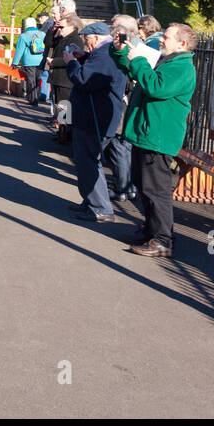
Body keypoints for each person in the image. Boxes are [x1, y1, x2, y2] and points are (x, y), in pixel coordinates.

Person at [111, 23, 199, 258]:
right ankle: (151, 231)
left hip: (158, 137)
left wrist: (138, 60)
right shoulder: (168, 60)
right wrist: (122, 52)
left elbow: (156, 87)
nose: (161, 40)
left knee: (156, 191)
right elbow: (135, 73)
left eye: (166, 37)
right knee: (144, 187)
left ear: (182, 43)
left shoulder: (181, 67)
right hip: (147, 134)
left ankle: (162, 240)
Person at [65, 22, 129, 221]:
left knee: (88, 161)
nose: (85, 42)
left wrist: (72, 63)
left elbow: (85, 79)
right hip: (96, 116)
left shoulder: (105, 54)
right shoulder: (104, 53)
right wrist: (83, 57)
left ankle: (100, 207)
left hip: (95, 117)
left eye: (87, 39)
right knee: (90, 160)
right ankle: (92, 202)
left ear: (97, 38)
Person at [105, 14, 141, 202]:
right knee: (124, 148)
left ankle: (123, 187)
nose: (111, 29)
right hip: (126, 102)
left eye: (114, 26)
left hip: (124, 103)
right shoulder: (129, 46)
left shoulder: (133, 49)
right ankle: (128, 186)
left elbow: (127, 74)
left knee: (119, 146)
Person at [47, 9, 85, 136]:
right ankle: (61, 132)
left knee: (64, 107)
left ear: (72, 26)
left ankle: (64, 134)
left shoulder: (75, 39)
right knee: (60, 106)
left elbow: (71, 59)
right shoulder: (62, 37)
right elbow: (48, 43)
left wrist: (53, 62)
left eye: (62, 26)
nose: (60, 29)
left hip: (65, 80)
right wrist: (53, 29)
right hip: (58, 78)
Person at [11, 16, 46, 105]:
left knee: (31, 80)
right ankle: (37, 96)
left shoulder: (23, 36)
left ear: (26, 25)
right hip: (41, 60)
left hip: (29, 61)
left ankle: (33, 100)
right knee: (38, 79)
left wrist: (15, 63)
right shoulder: (42, 34)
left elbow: (19, 50)